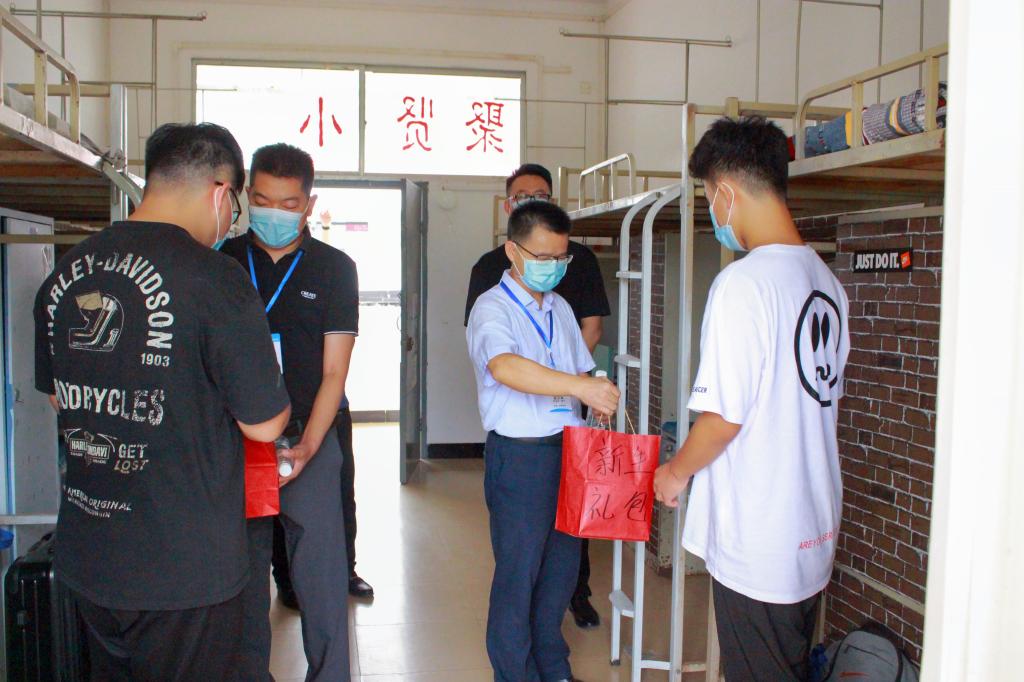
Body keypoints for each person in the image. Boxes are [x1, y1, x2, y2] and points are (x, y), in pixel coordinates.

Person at [32, 122, 292, 678]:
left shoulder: (67, 273)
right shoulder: (216, 279)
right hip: (183, 568)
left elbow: (59, 398)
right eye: (237, 205)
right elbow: (265, 425)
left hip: (88, 554)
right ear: (221, 193)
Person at [653, 116, 851, 682]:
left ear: (726, 193)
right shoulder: (826, 281)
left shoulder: (744, 284)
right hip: (812, 524)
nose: (713, 212)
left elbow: (723, 417)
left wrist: (674, 472)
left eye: (708, 197)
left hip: (761, 532)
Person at [467, 200, 620, 682]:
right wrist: (579, 387)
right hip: (522, 458)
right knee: (519, 576)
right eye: (542, 257)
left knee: (559, 573)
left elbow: (580, 370)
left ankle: (554, 669)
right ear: (513, 251)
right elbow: (504, 366)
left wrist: (596, 392)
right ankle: (515, 674)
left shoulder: (560, 308)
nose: (552, 267)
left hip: (569, 454)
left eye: (560, 258)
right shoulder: (492, 307)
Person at [221, 143, 357, 682]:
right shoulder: (221, 261)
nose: (273, 213)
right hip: (233, 442)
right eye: (262, 200)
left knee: (322, 575)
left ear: (309, 204)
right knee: (240, 576)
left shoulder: (334, 268)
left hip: (308, 436)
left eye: (288, 203)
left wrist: (308, 447)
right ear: (244, 195)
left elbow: (334, 373)